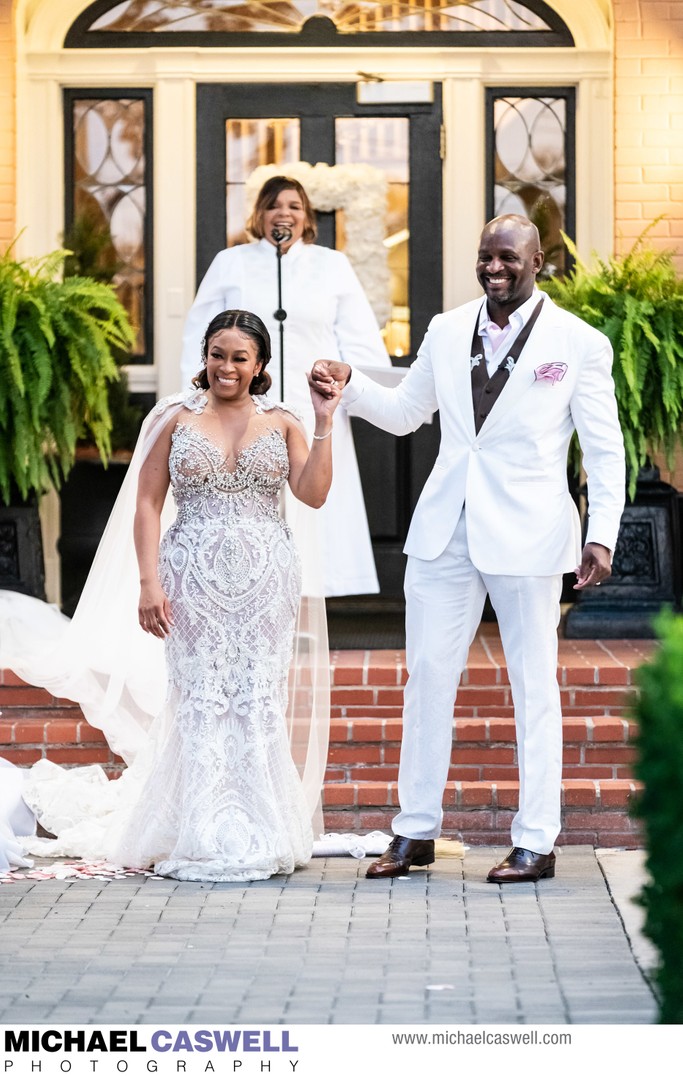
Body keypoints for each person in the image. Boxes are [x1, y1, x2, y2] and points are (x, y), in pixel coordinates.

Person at [311, 214, 626, 883]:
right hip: (444, 528)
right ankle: (414, 831)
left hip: (529, 531)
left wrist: (601, 532)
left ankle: (536, 841)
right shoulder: (447, 330)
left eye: (508, 256)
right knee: (426, 678)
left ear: (539, 260)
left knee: (531, 686)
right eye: (485, 256)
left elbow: (603, 448)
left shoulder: (578, 342)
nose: (494, 267)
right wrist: (350, 387)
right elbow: (403, 413)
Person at [0, 309, 340, 883]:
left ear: (259, 366)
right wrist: (149, 581)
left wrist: (326, 419)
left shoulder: (284, 421)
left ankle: (266, 825)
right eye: (216, 354)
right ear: (204, 357)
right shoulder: (174, 418)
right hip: (193, 579)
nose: (225, 367)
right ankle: (198, 827)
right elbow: (147, 503)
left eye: (239, 358)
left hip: (265, 581)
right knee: (200, 695)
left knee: (256, 695)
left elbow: (313, 494)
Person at [180, 175, 391, 597]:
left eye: (294, 206)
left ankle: (310, 600)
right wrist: (196, 403)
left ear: (307, 217)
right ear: (259, 216)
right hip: (241, 413)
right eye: (274, 205)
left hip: (314, 410)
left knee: (315, 504)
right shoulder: (230, 262)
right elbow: (198, 337)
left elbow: (361, 342)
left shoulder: (333, 265)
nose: (284, 213)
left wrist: (359, 391)